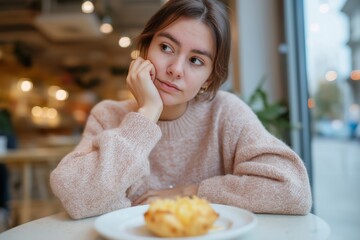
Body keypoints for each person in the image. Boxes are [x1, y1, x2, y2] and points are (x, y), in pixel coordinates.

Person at [50, 0, 312, 219]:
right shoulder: (108, 115)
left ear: (208, 78)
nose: (175, 68)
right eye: (166, 47)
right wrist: (147, 114)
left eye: (196, 60)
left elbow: (293, 190)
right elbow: (77, 198)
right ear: (144, 50)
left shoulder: (225, 113)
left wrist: (191, 192)